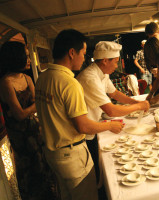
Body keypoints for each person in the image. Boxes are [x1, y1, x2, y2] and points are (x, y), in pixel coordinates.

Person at [35, 29, 124, 200]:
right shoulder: (69, 83)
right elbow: (83, 125)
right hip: (70, 155)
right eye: (83, 53)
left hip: (52, 153)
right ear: (72, 53)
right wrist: (110, 125)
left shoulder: (43, 77)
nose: (85, 58)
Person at [76, 41, 150, 188]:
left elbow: (114, 93)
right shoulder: (90, 77)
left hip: (93, 125)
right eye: (115, 62)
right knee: (92, 174)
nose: (117, 66)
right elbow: (111, 110)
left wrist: (133, 103)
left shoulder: (103, 73)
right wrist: (139, 106)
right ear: (105, 61)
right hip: (84, 132)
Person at [0, 41, 58, 199]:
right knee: (30, 171)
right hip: (20, 136)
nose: (29, 60)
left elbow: (29, 108)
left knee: (44, 165)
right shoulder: (5, 83)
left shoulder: (27, 78)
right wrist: (33, 106)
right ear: (14, 58)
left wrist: (28, 109)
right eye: (25, 56)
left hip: (34, 130)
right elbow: (21, 114)